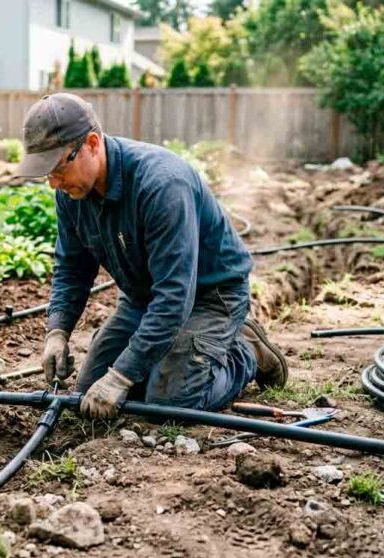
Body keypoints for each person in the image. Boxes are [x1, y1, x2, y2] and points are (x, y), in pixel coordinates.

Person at [14, 93, 288, 419]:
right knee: (88, 395)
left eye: (58, 167)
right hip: (143, 300)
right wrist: (57, 332)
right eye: (46, 174)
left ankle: (246, 352)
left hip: (211, 297)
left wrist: (122, 375)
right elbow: (72, 267)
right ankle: (175, 356)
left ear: (91, 143)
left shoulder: (161, 185)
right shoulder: (72, 193)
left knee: (168, 404)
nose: (53, 183)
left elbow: (175, 296)